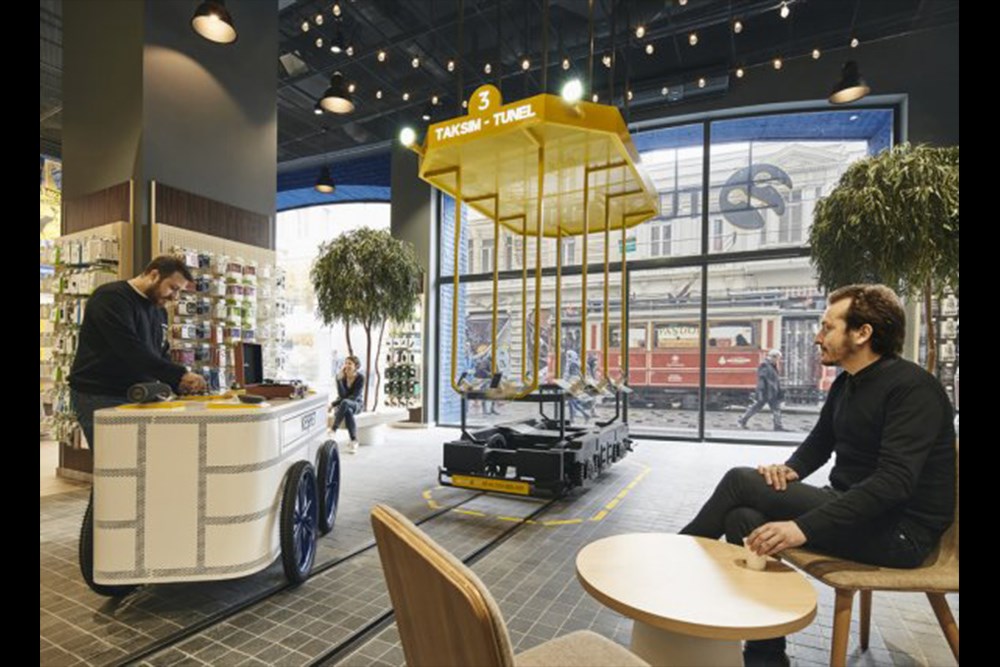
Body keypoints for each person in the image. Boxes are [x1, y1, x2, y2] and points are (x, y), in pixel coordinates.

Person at [680, 284, 956, 667]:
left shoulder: (912, 389)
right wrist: (790, 469)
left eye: (827, 327)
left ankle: (674, 561)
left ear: (862, 333)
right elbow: (820, 442)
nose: (817, 336)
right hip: (857, 512)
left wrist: (802, 528)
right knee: (743, 519)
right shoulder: (847, 382)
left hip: (901, 532)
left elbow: (893, 483)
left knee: (740, 481)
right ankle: (766, 658)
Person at [69, 255, 208, 451]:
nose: (174, 297)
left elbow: (160, 352)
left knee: (139, 461)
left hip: (140, 394)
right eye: (173, 288)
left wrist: (180, 384)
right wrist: (179, 374)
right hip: (100, 393)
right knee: (114, 460)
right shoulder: (111, 298)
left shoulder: (158, 310)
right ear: (154, 275)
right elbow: (130, 349)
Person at [738, 348, 785, 431]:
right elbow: (762, 380)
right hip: (767, 391)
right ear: (773, 357)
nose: (778, 360)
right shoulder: (765, 365)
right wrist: (761, 392)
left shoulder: (772, 365)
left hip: (772, 391)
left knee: (774, 408)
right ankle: (742, 421)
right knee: (756, 408)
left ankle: (778, 425)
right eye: (778, 358)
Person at [330, 355, 365, 454]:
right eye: (345, 363)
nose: (346, 365)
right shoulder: (341, 377)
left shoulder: (360, 378)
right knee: (348, 411)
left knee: (346, 403)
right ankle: (354, 440)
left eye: (350, 363)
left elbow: (354, 397)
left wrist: (333, 404)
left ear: (356, 366)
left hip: (356, 404)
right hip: (344, 406)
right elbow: (342, 395)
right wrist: (339, 380)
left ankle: (333, 429)